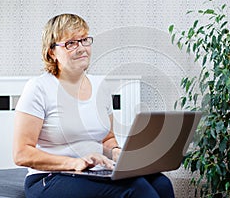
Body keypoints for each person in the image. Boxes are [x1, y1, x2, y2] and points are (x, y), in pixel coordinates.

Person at [13, 13, 175, 198]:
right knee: (135, 189)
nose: (81, 48)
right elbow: (22, 154)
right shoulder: (38, 88)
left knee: (162, 184)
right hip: (51, 177)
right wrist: (73, 163)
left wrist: (116, 153)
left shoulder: (101, 86)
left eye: (84, 40)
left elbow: (107, 138)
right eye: (71, 43)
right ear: (52, 52)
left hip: (93, 172)